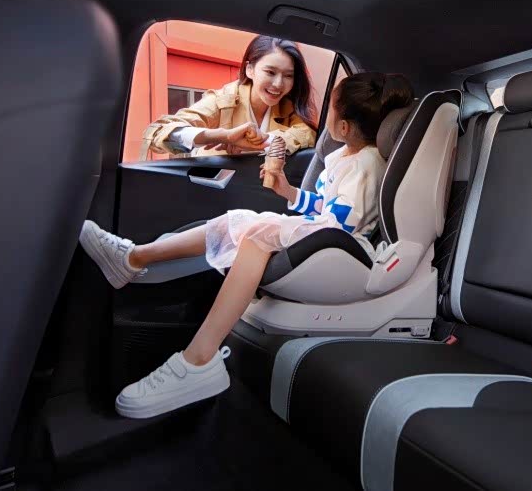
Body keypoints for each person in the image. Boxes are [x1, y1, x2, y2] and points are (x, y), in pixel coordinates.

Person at [79, 73, 415, 418]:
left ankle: (198, 357)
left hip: (342, 244)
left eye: (330, 108)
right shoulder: (345, 155)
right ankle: (133, 258)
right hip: (327, 232)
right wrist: (288, 191)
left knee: (255, 231)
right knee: (240, 221)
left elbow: (343, 222)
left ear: (343, 126)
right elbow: (325, 205)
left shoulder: (366, 163)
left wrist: (285, 226)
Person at [140, 35, 317, 159]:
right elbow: (156, 133)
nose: (278, 84)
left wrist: (261, 141)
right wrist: (219, 136)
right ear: (250, 69)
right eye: (270, 72)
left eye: (288, 76)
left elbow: (308, 134)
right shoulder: (223, 100)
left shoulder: (291, 108)